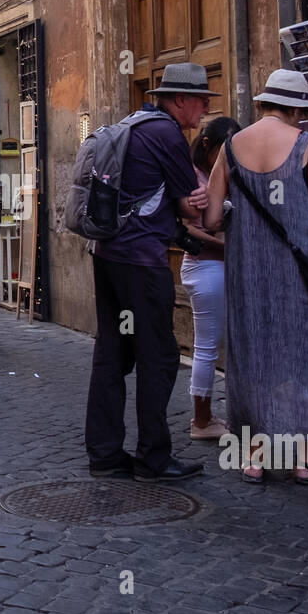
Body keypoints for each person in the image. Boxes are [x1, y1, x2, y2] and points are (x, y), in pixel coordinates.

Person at [204, 69, 308, 484]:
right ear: (296, 110)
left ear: (264, 104)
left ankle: (254, 456)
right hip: (303, 278)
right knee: (307, 358)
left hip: (249, 279)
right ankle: (306, 460)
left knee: (253, 357)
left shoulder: (230, 148)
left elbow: (211, 220)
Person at [85, 62, 214, 482]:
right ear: (180, 99)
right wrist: (202, 198)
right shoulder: (168, 135)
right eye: (201, 101)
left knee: (111, 353)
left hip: (108, 253)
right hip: (141, 261)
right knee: (159, 356)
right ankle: (154, 457)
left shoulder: (134, 124)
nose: (204, 110)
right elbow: (187, 207)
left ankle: (105, 454)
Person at [180, 116, 240, 440]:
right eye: (222, 149)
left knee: (226, 344)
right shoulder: (192, 175)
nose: (227, 155)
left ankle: (225, 413)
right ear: (206, 145)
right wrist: (228, 248)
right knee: (206, 347)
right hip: (204, 265)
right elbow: (187, 228)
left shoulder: (227, 170)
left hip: (223, 266)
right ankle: (201, 420)